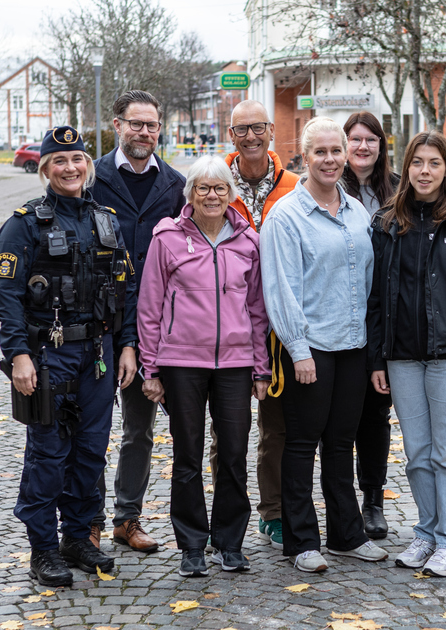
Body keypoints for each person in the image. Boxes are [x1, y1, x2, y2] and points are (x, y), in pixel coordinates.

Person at [0, 125, 135, 587]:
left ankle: (77, 538)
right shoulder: (24, 223)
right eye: (59, 161)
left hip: (98, 354)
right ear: (44, 169)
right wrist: (18, 355)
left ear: (87, 166)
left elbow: (125, 290)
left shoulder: (106, 219)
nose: (69, 168)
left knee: (92, 453)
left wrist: (127, 345)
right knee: (48, 454)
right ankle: (43, 549)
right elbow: (6, 296)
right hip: (47, 354)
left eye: (76, 160)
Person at [368, 131, 446, 577]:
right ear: (408, 167)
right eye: (418, 163)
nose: (425, 171)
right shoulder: (388, 221)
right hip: (402, 357)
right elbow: (375, 299)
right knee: (418, 453)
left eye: (434, 163)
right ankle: (426, 533)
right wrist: (377, 359)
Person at [260, 116, 388, 573]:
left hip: (353, 346)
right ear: (305, 156)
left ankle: (346, 536)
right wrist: (298, 349)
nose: (331, 160)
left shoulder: (356, 211)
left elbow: (369, 280)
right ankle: (300, 541)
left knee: (340, 444)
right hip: (311, 349)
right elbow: (280, 289)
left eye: (337, 151)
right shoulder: (286, 216)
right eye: (321, 152)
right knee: (301, 444)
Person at [136, 155, 270, 577]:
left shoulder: (249, 241)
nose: (211, 195)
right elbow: (150, 307)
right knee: (187, 455)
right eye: (202, 188)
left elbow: (257, 310)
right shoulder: (168, 238)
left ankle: (229, 543)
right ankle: (192, 545)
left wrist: (261, 369)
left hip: (235, 363)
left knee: (233, 453)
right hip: (181, 363)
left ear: (230, 194)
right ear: (189, 194)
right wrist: (151, 369)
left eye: (219, 188)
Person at [89, 89, 186, 553]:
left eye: (151, 125)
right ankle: (85, 519)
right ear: (117, 125)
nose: (143, 132)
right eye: (135, 124)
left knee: (139, 429)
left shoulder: (176, 185)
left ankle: (127, 519)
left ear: (159, 129)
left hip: (151, 327)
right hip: (93, 326)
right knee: (86, 428)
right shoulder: (92, 179)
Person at [222, 99, 299, 549]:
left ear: (271, 131)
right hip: (227, 327)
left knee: (278, 428)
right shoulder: (215, 183)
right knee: (228, 432)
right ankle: (225, 521)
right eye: (241, 130)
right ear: (231, 135)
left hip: (279, 326)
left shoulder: (293, 186)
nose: (250, 137)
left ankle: (274, 513)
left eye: (258, 128)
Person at [341, 111, 398, 539]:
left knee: (377, 413)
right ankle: (339, 499)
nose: (362, 147)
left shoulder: (399, 189)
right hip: (340, 312)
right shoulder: (327, 185)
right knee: (339, 416)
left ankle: (373, 498)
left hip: (388, 315)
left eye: (370, 140)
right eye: (355, 139)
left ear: (381, 145)